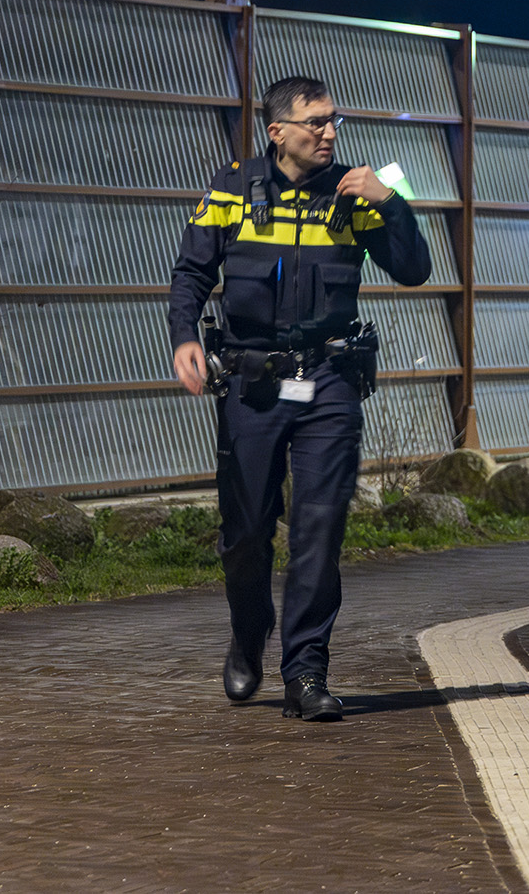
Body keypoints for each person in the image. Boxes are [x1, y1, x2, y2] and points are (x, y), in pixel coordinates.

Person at [169, 74, 431, 721]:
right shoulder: (232, 188)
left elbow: (413, 269)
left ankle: (306, 671)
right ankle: (248, 627)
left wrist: (391, 200)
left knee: (320, 526)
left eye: (334, 120)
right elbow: (193, 272)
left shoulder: (353, 192)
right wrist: (184, 337)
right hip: (252, 381)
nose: (329, 132)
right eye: (315, 122)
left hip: (331, 380)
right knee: (246, 530)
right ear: (277, 130)